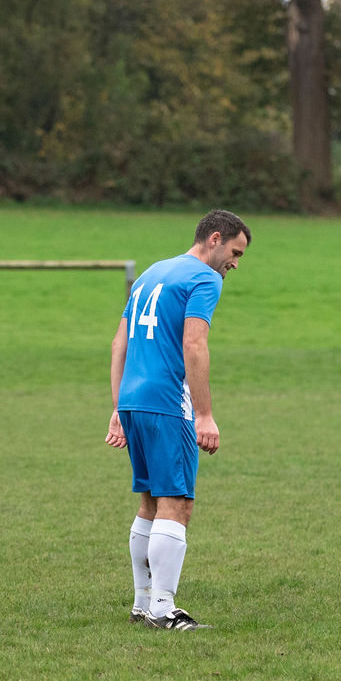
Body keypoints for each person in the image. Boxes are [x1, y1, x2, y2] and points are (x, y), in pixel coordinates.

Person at [105, 209, 251, 630]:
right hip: (168, 402)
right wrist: (203, 414)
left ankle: (142, 603)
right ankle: (163, 609)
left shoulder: (153, 272)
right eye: (235, 252)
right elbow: (194, 342)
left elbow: (119, 342)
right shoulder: (205, 279)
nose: (234, 264)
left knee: (150, 502)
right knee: (178, 504)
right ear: (215, 238)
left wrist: (117, 407)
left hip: (134, 399)